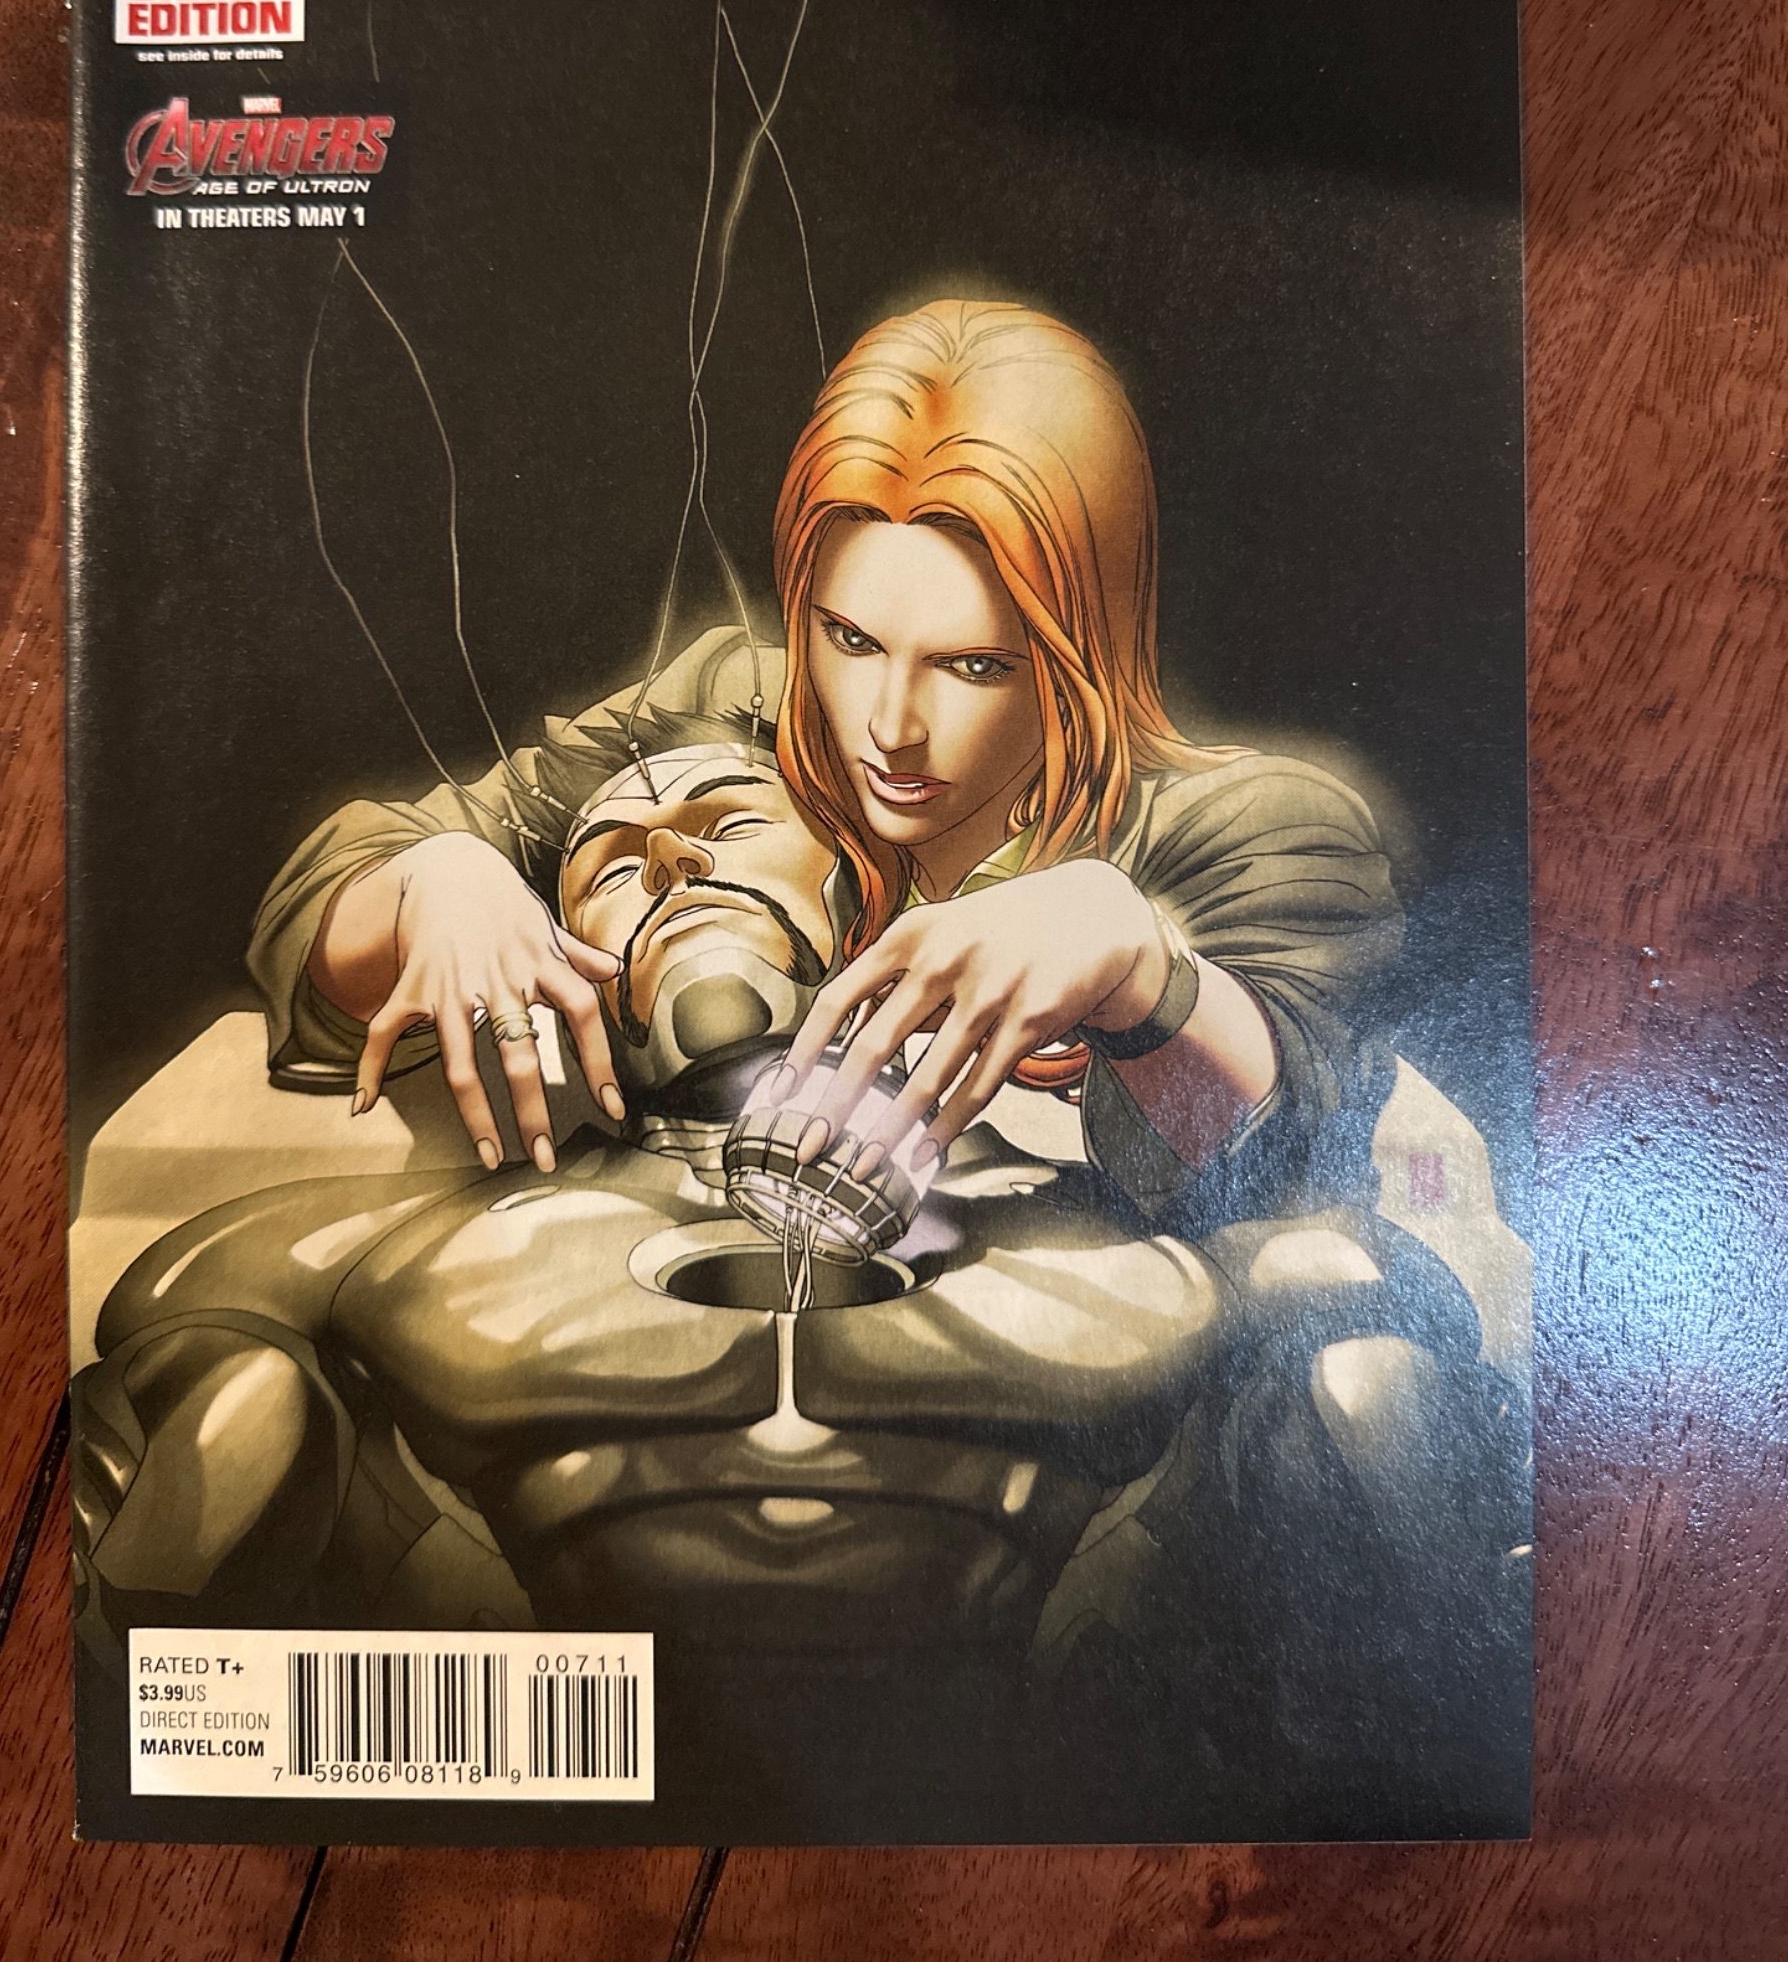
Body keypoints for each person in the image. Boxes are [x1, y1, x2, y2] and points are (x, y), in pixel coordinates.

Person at [85, 717, 1513, 1836]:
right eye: (610, 864)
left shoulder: (1096, 1225)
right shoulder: (427, 1244)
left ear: (855, 897)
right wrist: (436, 880)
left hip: (1068, 1769)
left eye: (724, 822)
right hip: (552, 1773)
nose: (668, 862)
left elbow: (1340, 1266)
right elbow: (194, 1301)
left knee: (1362, 1386)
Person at [251, 281, 1402, 1237]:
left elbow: (1301, 1160)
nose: (888, 727)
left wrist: (1135, 968)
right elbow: (331, 900)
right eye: (849, 639)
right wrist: (434, 885)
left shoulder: (1255, 829)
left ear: (1079, 653)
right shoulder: (730, 709)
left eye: (973, 665)